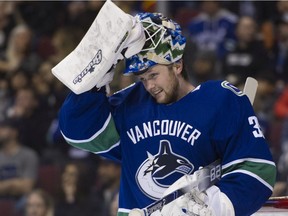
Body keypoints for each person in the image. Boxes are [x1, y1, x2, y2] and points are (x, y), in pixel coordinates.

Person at [57, 12, 276, 216]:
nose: (149, 85)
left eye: (153, 74)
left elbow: (258, 169)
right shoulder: (130, 103)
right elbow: (78, 132)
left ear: (178, 65)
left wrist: (217, 205)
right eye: (142, 78)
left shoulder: (220, 100)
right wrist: (99, 70)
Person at [0, 118, 39, 210]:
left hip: (21, 200)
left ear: (14, 132)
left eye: (3, 127)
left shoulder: (29, 155)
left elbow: (27, 187)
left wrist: (3, 186)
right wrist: (13, 184)